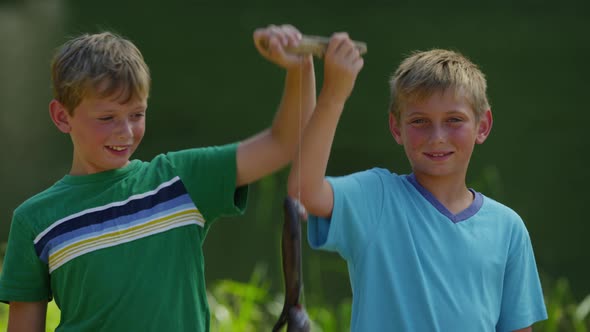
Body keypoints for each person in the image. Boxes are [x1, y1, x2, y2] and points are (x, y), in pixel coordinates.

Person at [0, 24, 317, 332]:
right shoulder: (34, 220)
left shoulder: (180, 181)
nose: (125, 132)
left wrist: (299, 67)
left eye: (137, 115)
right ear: (61, 116)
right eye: (107, 117)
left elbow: (284, 143)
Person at [288, 47, 547, 331]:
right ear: (396, 127)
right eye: (419, 121)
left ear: (482, 125)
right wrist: (334, 92)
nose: (437, 137)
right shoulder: (377, 198)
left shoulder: (508, 228)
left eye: (454, 120)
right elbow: (305, 191)